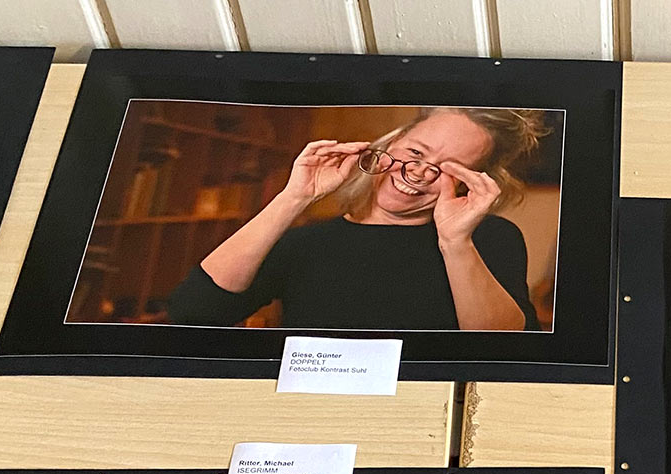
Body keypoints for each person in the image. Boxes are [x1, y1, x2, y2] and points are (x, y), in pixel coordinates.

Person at [167, 107, 545, 331]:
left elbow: (504, 351)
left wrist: (455, 242)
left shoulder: (490, 238)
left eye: (448, 168)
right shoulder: (306, 244)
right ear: (390, 144)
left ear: (470, 183)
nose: (418, 172)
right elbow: (193, 313)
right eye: (415, 152)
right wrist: (294, 198)